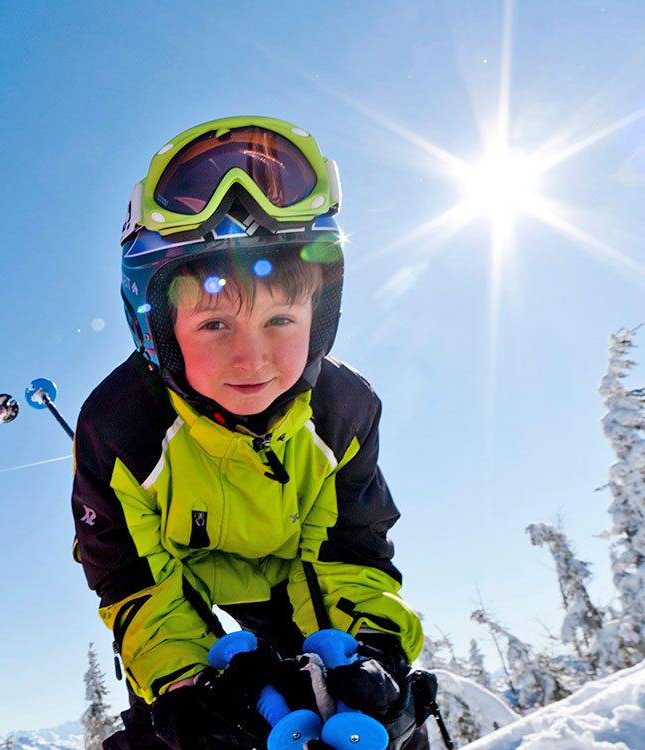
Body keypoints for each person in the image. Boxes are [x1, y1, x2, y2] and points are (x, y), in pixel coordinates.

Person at [71, 116, 430, 749]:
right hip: (182, 596)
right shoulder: (118, 429)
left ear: (320, 320)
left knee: (366, 718)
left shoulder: (343, 412)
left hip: (300, 588)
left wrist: (370, 648)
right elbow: (135, 581)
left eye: (282, 320)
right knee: (186, 731)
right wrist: (185, 683)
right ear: (158, 333)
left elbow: (348, 549)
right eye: (213, 325)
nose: (252, 359)